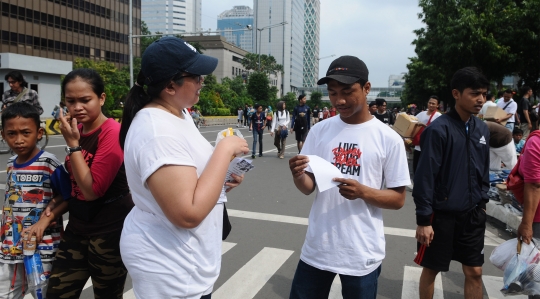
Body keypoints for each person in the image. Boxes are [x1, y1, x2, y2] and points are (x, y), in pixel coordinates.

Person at [118, 37, 248, 299]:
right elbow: (186, 214)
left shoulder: (180, 113)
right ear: (169, 85)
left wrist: (221, 180)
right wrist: (223, 151)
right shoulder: (157, 132)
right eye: (197, 76)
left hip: (186, 259)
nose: (203, 82)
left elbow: (188, 181)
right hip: (170, 267)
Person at [288, 55, 410, 299]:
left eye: (346, 91)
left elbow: (398, 199)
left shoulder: (388, 138)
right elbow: (308, 187)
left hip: (361, 252)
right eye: (332, 93)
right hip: (317, 249)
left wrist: (362, 192)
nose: (339, 100)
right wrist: (298, 174)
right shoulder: (320, 130)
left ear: (366, 88)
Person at [47, 69, 134, 299]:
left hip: (109, 232)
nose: (77, 107)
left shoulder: (112, 133)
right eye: (70, 101)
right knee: (56, 293)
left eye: (85, 100)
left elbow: (92, 190)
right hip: (78, 227)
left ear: (101, 98)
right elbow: (74, 183)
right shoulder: (78, 131)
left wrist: (73, 145)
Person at [413, 67, 490, 299]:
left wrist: (482, 200)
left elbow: (483, 169)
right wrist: (424, 220)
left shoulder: (482, 128)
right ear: (456, 94)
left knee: (475, 271)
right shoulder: (438, 130)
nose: (481, 100)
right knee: (432, 269)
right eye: (474, 93)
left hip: (472, 215)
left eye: (484, 94)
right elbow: (425, 177)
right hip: (441, 216)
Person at [0, 102, 71, 298]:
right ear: (3, 135)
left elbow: (68, 196)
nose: (19, 140)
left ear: (39, 133)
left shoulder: (48, 163)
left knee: (43, 293)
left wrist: (46, 220)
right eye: (11, 134)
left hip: (43, 248)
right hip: (11, 246)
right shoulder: (10, 163)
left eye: (25, 132)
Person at [412, 96, 442, 174]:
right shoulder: (421, 114)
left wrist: (425, 126)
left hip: (430, 148)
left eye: (433, 103)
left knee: (427, 171)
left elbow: (440, 131)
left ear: (437, 105)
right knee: (416, 169)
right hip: (418, 147)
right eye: (430, 103)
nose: (431, 105)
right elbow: (412, 122)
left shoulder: (439, 116)